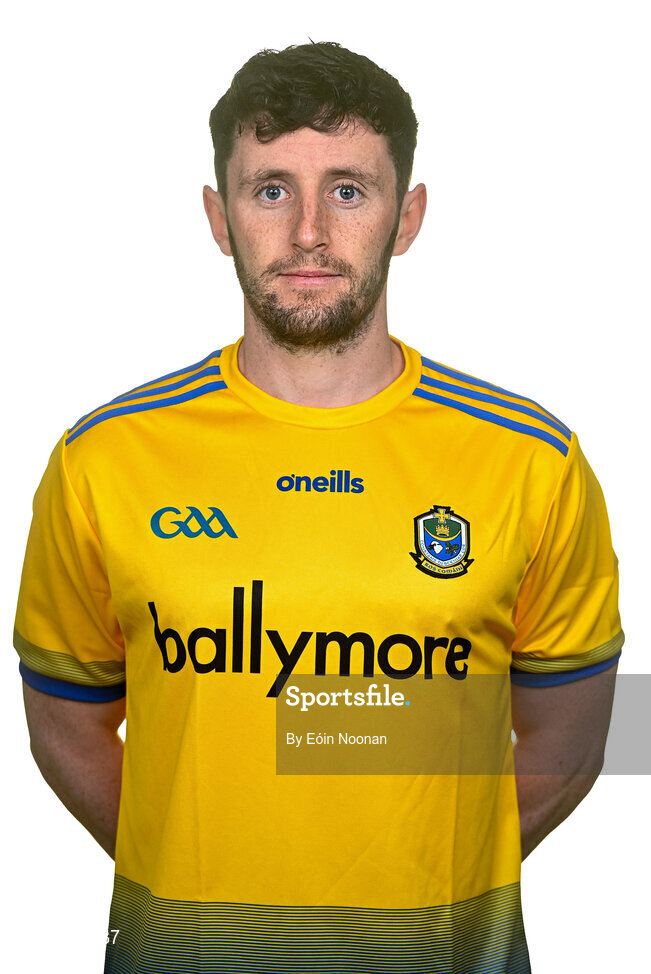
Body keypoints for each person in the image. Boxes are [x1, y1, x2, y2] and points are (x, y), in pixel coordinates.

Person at [14, 41, 623, 974]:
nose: (306, 231)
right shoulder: (103, 459)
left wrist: (424, 878)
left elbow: (568, 743)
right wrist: (190, 867)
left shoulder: (531, 462)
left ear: (406, 216)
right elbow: (65, 723)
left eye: (347, 190)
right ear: (218, 218)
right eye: (269, 191)